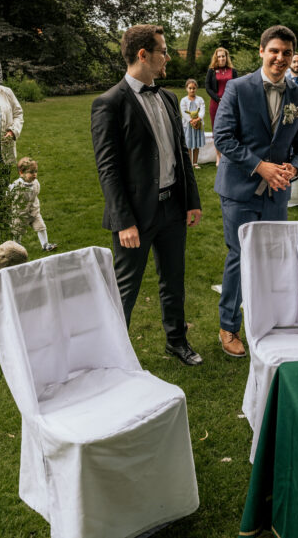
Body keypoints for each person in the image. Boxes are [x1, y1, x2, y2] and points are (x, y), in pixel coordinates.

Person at [91, 24, 203, 366]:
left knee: (174, 279)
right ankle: (114, 358)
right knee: (125, 289)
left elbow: (181, 153)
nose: (167, 57)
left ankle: (176, 341)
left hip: (173, 208)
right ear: (143, 55)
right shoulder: (109, 103)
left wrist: (192, 200)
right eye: (163, 51)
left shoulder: (168, 97)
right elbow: (107, 169)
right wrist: (124, 221)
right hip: (135, 216)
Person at [213, 25, 298, 357]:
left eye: (286, 53)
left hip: (276, 193)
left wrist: (293, 168)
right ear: (261, 51)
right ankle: (229, 327)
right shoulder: (238, 88)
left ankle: (267, 321)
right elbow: (224, 137)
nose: (280, 58)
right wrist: (261, 167)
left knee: (272, 257)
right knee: (240, 257)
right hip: (239, 189)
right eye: (274, 51)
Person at [9, 157, 57, 251]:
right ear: (21, 173)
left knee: (41, 227)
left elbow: (36, 194)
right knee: (17, 230)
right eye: (31, 172)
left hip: (34, 212)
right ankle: (16, 247)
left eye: (35, 171)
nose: (34, 174)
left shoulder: (36, 183)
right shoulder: (17, 185)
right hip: (20, 213)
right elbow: (10, 196)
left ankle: (45, 245)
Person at [204, 47, 237, 166]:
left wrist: (228, 99)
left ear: (226, 57)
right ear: (216, 58)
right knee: (216, 130)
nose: (221, 58)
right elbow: (207, 87)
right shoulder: (211, 71)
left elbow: (236, 86)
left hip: (230, 104)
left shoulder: (232, 71)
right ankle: (218, 156)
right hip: (216, 104)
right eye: (219, 56)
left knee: (231, 128)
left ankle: (229, 155)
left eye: (223, 56)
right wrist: (218, 99)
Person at [179, 79, 206, 168]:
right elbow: (183, 112)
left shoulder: (200, 99)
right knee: (189, 144)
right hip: (188, 125)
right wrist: (191, 121)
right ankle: (189, 162)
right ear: (186, 88)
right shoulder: (184, 100)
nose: (192, 90)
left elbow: (202, 110)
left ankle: (195, 162)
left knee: (196, 144)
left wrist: (197, 119)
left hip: (198, 124)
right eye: (190, 88)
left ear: (196, 88)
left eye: (194, 88)